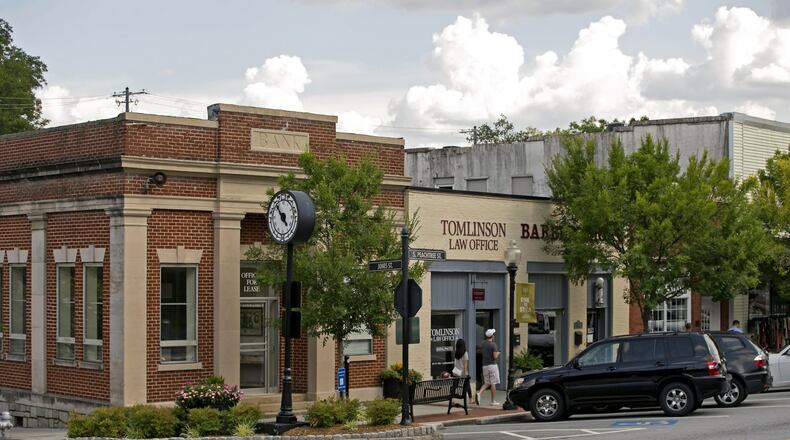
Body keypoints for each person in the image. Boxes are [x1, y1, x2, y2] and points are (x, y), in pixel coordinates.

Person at [477, 329, 501, 406]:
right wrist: (498, 353)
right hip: (492, 365)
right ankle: (493, 401)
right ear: (492, 336)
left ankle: (479, 393)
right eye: (493, 334)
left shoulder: (483, 343)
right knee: (493, 383)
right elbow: (495, 357)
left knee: (487, 382)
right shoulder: (493, 345)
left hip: (485, 366)